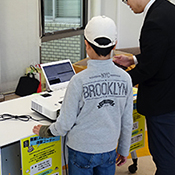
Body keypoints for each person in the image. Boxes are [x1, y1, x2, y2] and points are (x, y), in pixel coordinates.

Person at [113, 0, 175, 175]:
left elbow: (150, 68)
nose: (128, 4)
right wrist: (132, 59)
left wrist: (118, 81)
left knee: (163, 154)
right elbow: (162, 55)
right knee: (165, 148)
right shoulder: (169, 10)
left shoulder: (155, 21)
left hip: (164, 99)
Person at [32, 15, 133, 175]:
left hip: (81, 150)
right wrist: (124, 149)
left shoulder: (78, 80)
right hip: (109, 148)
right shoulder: (125, 78)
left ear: (86, 45)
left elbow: (64, 124)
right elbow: (127, 120)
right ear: (115, 45)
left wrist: (46, 131)